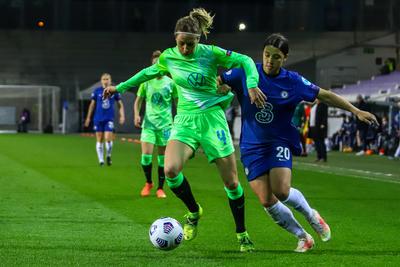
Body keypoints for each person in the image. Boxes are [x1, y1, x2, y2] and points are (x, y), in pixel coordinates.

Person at [103, 8, 266, 252]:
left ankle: (241, 232)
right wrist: (121, 86)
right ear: (175, 40)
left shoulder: (211, 54)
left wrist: (252, 84)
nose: (185, 50)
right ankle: (193, 211)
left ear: (198, 40)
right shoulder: (168, 57)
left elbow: (244, 61)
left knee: (232, 183)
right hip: (185, 121)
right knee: (170, 170)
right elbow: (147, 73)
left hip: (212, 120)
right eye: (181, 44)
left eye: (190, 44)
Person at [219, 33, 378, 252]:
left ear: (284, 58)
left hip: (279, 141)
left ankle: (311, 215)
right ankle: (302, 236)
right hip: (251, 146)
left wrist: (355, 110)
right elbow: (219, 80)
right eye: (267, 55)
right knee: (266, 200)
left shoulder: (292, 81)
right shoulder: (246, 71)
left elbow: (325, 95)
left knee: (281, 190)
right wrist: (221, 87)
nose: (269, 60)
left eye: (276, 57)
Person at [134, 50, 178, 198]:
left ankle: (160, 188)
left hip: (166, 125)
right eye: (155, 63)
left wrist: (179, 120)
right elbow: (138, 101)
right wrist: (136, 115)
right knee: (145, 156)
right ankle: (148, 183)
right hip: (149, 125)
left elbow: (178, 103)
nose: (157, 65)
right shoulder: (146, 82)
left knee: (162, 159)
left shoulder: (171, 83)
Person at [84, 73, 125, 166]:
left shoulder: (114, 91)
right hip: (98, 119)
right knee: (99, 139)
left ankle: (108, 155)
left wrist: (122, 115)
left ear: (110, 80)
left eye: (107, 79)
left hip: (109, 119)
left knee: (108, 138)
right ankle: (101, 160)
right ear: (101, 80)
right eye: (104, 79)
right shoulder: (97, 91)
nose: (105, 81)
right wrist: (88, 118)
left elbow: (120, 105)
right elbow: (92, 105)